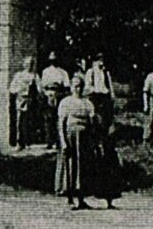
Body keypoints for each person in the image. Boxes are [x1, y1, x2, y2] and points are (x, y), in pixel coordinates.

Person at [58, 74, 97, 210]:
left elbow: (92, 124)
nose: (78, 89)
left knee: (83, 166)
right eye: (75, 86)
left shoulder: (87, 103)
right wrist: (63, 142)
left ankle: (81, 199)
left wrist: (93, 141)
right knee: (70, 165)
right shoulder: (66, 102)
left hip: (84, 138)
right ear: (71, 87)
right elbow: (61, 124)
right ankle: (70, 198)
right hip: (71, 136)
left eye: (80, 86)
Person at [41, 52, 71, 149]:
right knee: (49, 119)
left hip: (59, 95)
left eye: (55, 59)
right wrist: (48, 94)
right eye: (51, 60)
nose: (53, 62)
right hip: (48, 95)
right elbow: (43, 85)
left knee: (59, 118)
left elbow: (67, 85)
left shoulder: (63, 72)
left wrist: (59, 90)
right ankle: (49, 141)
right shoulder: (45, 72)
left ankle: (59, 141)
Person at [9, 56, 39, 150]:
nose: (29, 66)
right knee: (19, 121)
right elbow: (12, 88)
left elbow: (39, 88)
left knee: (29, 121)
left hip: (30, 100)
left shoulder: (35, 76)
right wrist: (19, 90)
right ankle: (19, 142)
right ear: (24, 64)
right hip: (20, 99)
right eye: (27, 64)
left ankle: (28, 142)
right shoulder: (19, 75)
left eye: (31, 64)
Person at [85, 53, 114, 132]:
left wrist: (112, 95)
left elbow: (110, 85)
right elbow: (88, 86)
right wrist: (96, 91)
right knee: (96, 118)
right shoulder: (91, 72)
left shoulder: (105, 72)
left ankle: (105, 136)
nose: (101, 62)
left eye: (102, 60)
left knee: (106, 119)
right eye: (99, 60)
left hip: (105, 97)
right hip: (95, 97)